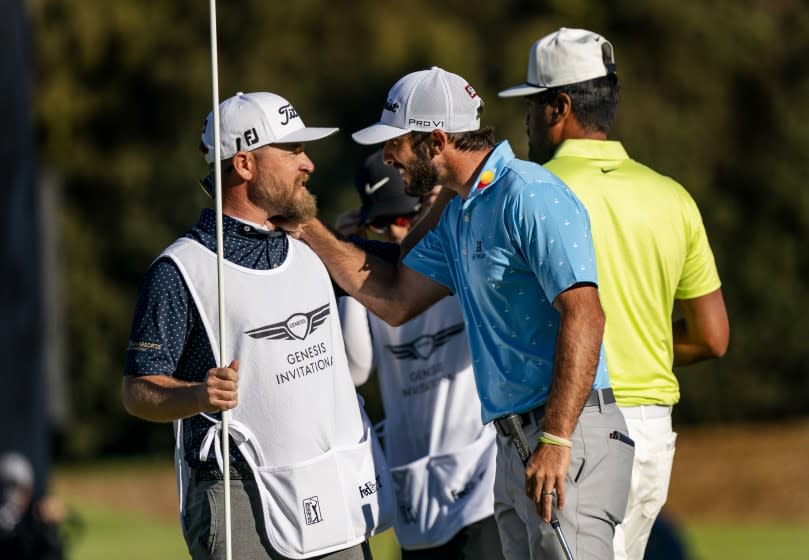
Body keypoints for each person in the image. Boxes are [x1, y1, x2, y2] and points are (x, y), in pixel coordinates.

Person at [298, 66, 634, 560]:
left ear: (436, 141)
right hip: (515, 441)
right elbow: (394, 299)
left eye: (397, 142)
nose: (388, 157)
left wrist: (557, 438)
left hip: (567, 435)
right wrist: (307, 228)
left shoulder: (527, 193)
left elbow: (585, 315)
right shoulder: (460, 212)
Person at [122, 91, 394, 560]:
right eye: (292, 151)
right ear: (244, 165)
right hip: (238, 496)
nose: (307, 163)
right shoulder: (180, 268)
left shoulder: (312, 245)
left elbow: (402, 283)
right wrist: (196, 396)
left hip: (330, 488)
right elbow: (137, 389)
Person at [498, 27, 729, 560]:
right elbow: (712, 337)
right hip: (650, 431)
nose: (527, 120)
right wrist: (636, 352)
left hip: (568, 426)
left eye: (532, 104)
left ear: (559, 106)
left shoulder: (529, 193)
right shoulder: (673, 197)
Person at [336, 150, 504, 560]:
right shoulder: (371, 282)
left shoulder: (460, 260)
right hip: (413, 488)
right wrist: (348, 267)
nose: (396, 232)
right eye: (381, 222)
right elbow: (356, 370)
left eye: (405, 217)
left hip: (480, 483)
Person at [0, 452, 65, 560]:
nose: (13, 496)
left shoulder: (36, 521)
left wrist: (50, 528)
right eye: (6, 487)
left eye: (19, 489)